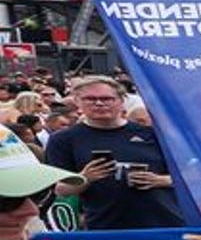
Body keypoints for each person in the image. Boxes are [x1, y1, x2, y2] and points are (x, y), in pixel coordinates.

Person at [41, 76, 176, 228]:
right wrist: (85, 178)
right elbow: (60, 190)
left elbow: (194, 177)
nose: (99, 103)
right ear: (77, 102)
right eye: (90, 99)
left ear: (121, 101)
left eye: (107, 98)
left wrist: (160, 180)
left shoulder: (152, 134)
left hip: (164, 222)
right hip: (104, 226)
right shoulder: (63, 139)